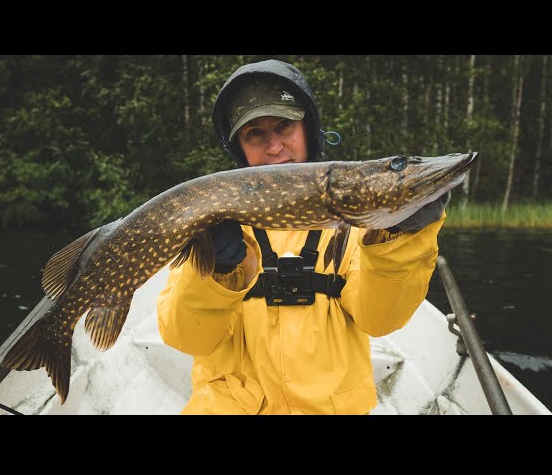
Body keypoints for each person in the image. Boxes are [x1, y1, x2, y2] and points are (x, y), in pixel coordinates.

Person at [157, 59, 449, 414]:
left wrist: (403, 238)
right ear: (240, 148)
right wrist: (214, 272)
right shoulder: (210, 223)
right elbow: (189, 338)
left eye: (284, 126)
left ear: (308, 128)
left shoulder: (361, 225)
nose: (276, 147)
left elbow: (380, 319)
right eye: (255, 134)